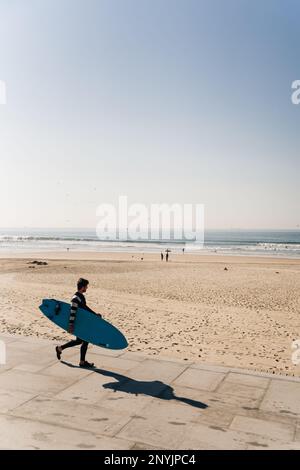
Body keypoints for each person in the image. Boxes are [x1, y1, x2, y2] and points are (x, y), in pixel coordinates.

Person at [55, 278, 100, 368]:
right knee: (85, 341)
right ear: (82, 287)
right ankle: (82, 362)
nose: (87, 288)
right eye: (86, 286)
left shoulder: (81, 296)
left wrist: (95, 314)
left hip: (82, 323)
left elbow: (85, 308)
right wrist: (71, 324)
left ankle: (60, 348)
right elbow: (73, 311)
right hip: (79, 324)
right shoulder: (75, 298)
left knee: (79, 341)